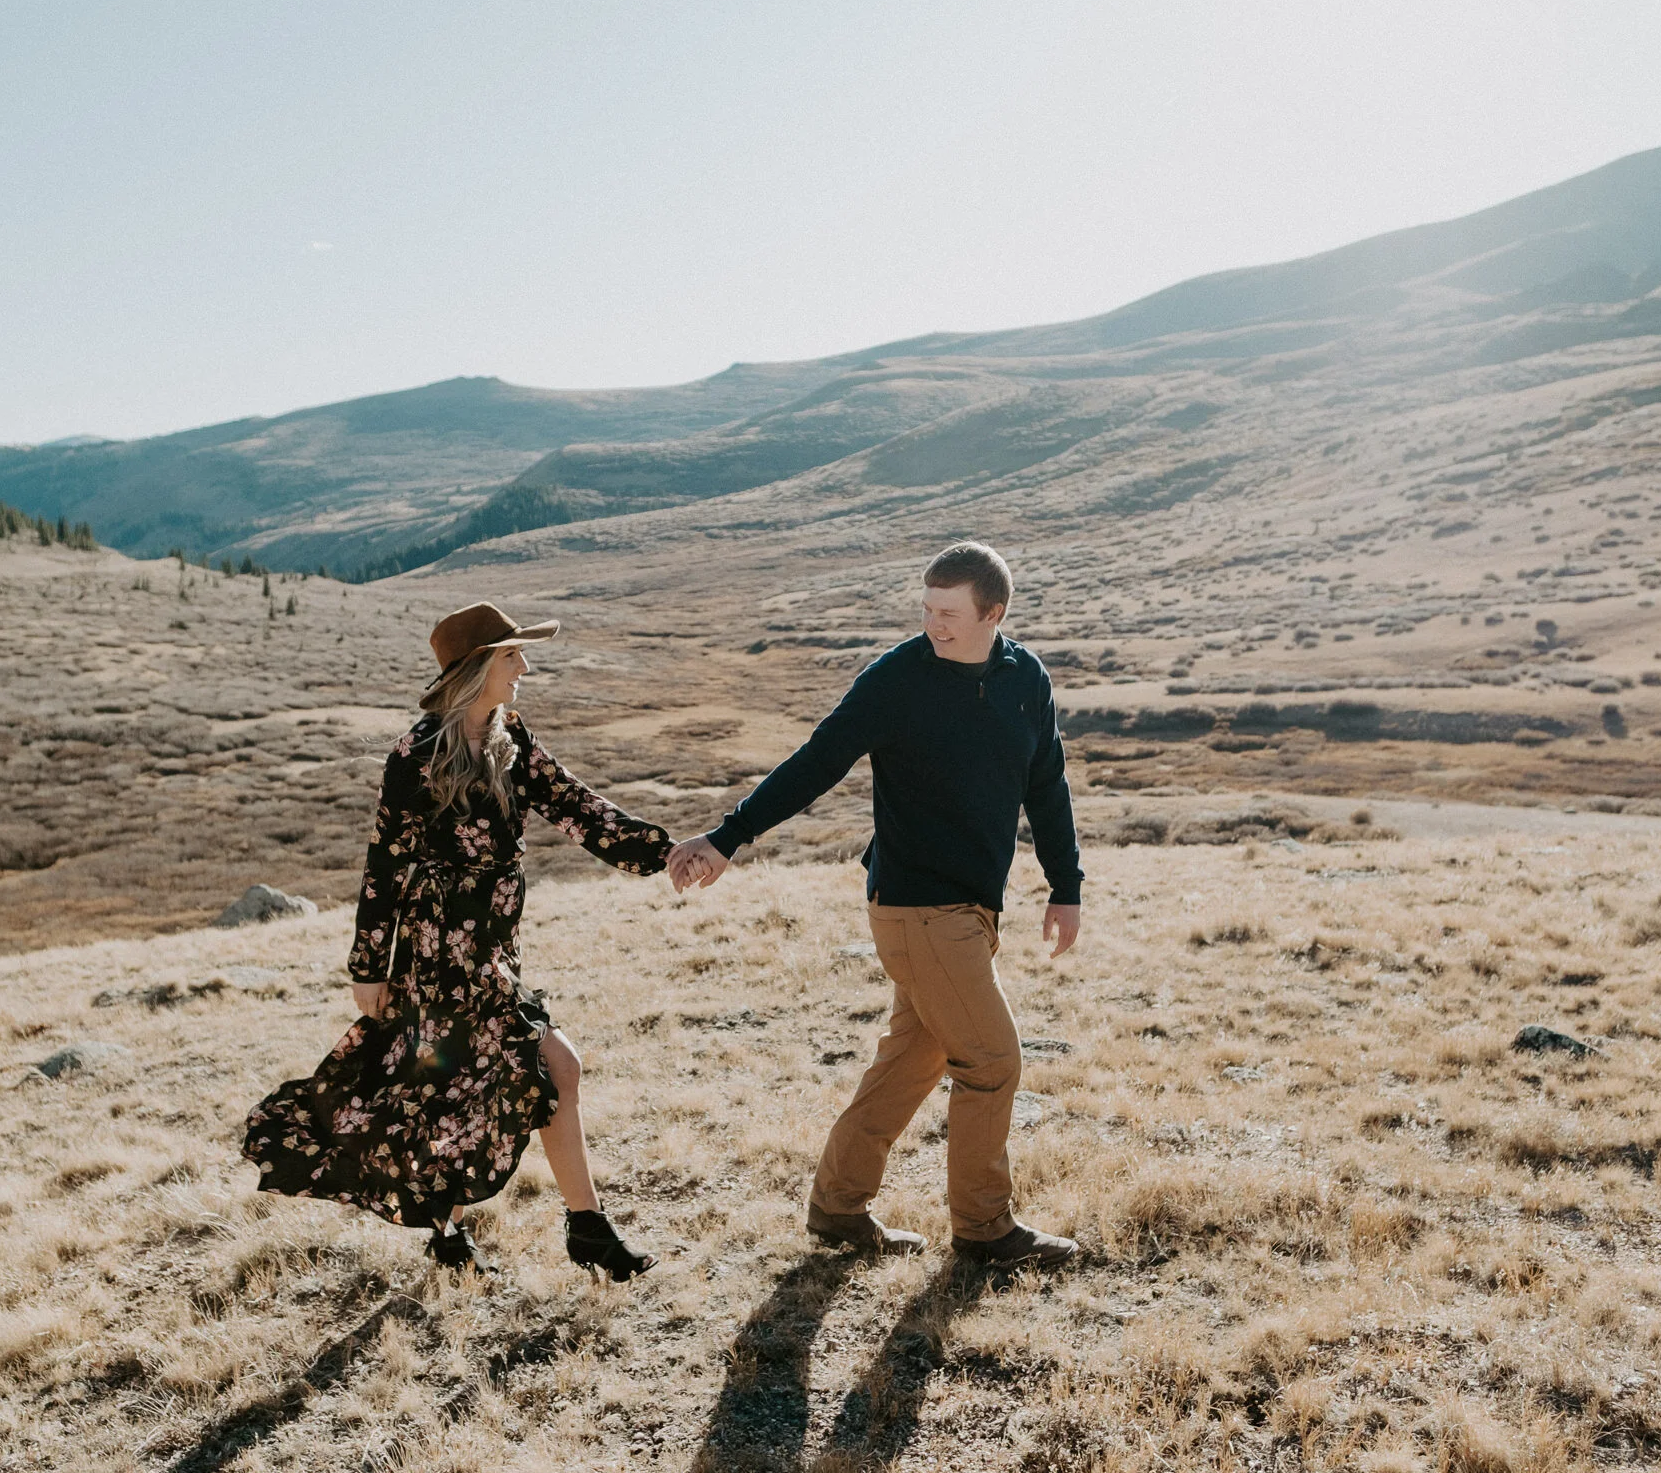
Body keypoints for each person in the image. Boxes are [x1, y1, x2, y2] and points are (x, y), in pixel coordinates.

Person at [668, 542, 1083, 1269]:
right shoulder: (897, 678)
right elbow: (819, 759)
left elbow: (1046, 783)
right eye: (925, 609)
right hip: (916, 904)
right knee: (991, 1059)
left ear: (994, 613)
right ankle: (984, 1228)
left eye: (949, 613)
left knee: (913, 1059)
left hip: (972, 907)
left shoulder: (1026, 680)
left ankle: (837, 1207)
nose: (933, 624)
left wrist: (1065, 884)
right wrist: (730, 835)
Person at [243, 602, 671, 1279]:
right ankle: (583, 1229)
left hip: (493, 950)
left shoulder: (512, 741)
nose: (524, 667)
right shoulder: (415, 756)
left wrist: (665, 854)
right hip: (436, 955)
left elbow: (578, 808)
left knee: (453, 1091)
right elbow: (383, 864)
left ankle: (454, 1239)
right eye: (511, 656)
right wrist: (368, 967)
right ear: (477, 669)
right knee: (552, 1066)